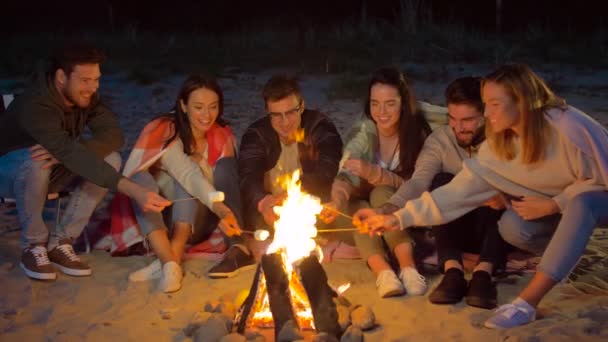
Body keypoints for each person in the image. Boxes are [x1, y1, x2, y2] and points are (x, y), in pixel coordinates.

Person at [354, 63, 608, 328]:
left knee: (581, 202)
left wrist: (556, 203)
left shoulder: (567, 125)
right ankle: (561, 253)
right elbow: (456, 193)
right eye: (485, 104)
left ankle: (527, 303)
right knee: (513, 227)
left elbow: (602, 178)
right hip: (562, 215)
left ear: (521, 101)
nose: (487, 113)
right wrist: (396, 219)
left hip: (597, 200)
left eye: (494, 104)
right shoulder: (499, 146)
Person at [0, 41, 168, 281]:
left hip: (51, 172)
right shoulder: (35, 103)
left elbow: (113, 136)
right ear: (61, 77)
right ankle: (33, 245)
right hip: (9, 173)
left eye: (97, 79)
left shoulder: (86, 98)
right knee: (34, 159)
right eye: (85, 80)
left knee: (109, 159)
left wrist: (68, 150)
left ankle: (61, 241)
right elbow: (68, 153)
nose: (93, 87)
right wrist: (134, 190)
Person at [380, 76, 509, 308]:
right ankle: (452, 271)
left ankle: (483, 274)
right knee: (441, 181)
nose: (458, 127)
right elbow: (419, 181)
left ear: (486, 114)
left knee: (491, 186)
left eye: (468, 120)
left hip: (495, 227)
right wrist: (390, 207)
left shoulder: (501, 139)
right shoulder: (441, 139)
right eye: (452, 118)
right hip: (455, 224)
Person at [117, 74, 253, 291]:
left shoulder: (221, 134)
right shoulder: (165, 130)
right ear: (183, 105)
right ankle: (169, 260)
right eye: (198, 107)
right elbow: (188, 174)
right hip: (162, 220)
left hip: (202, 222)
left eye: (213, 107)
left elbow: (217, 183)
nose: (207, 115)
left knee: (226, 166)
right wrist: (219, 207)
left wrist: (223, 212)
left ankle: (175, 258)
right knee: (141, 178)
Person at [319, 66, 432, 298]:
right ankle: (384, 273)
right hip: (362, 219)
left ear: (403, 103)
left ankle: (409, 268)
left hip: (404, 217)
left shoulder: (417, 133)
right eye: (374, 103)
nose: (381, 111)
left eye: (390, 103)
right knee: (358, 210)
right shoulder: (363, 131)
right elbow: (345, 174)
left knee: (381, 192)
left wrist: (375, 174)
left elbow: (417, 186)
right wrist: (337, 202)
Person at [238, 74, 343, 234]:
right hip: (270, 213)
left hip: (311, 208)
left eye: (291, 112)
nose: (285, 122)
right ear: (267, 111)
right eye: (277, 115)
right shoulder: (256, 134)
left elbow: (328, 170)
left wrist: (292, 193)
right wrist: (264, 202)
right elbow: (248, 176)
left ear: (301, 106)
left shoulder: (319, 127)